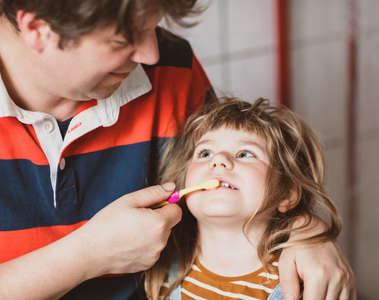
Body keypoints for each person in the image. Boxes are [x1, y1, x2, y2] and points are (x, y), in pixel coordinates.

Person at [0, 1, 354, 299]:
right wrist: (86, 257)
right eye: (127, 36)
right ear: (37, 29)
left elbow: (247, 187)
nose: (151, 53)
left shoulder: (171, 66)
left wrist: (307, 231)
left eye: (152, 27)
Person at [144, 97, 346, 300]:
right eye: (205, 153)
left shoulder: (300, 282)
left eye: (245, 154)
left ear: (286, 194)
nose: (219, 159)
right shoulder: (161, 270)